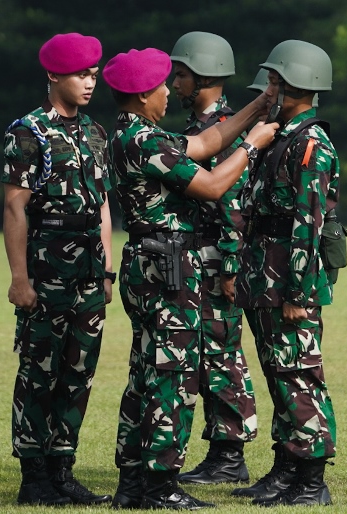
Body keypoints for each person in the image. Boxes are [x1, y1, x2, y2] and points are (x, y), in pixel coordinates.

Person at [101, 47, 278, 510]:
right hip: (167, 270)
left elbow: (205, 143)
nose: (166, 93)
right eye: (161, 86)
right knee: (172, 375)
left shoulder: (134, 133)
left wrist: (256, 109)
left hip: (150, 263)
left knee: (144, 372)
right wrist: (253, 145)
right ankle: (160, 486)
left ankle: (133, 484)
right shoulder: (146, 142)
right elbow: (215, 183)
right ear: (142, 95)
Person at [1, 32, 114, 507]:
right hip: (46, 270)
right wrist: (20, 279)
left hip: (89, 270)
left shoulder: (94, 132)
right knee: (38, 370)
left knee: (78, 372)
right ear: (54, 76)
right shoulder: (29, 132)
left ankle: (62, 469)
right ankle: (33, 477)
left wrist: (107, 269)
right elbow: (14, 207)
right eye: (80, 74)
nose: (89, 83)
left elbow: (104, 203)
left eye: (92, 74)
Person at [233, 40, 341, 507]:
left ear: (299, 84)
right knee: (279, 373)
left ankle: (312, 481)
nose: (268, 88)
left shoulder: (311, 147)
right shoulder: (282, 136)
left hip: (289, 283)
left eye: (275, 81)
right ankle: (286, 469)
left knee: (300, 374)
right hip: (266, 276)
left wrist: (298, 291)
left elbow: (308, 226)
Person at [169, 31, 257, 486]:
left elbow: (234, 205)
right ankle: (222, 452)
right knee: (207, 354)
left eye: (181, 74)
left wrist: (229, 265)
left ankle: (228, 456)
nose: (174, 82)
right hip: (196, 261)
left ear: (203, 77)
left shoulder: (222, 131)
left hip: (215, 262)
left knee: (221, 355)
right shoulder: (201, 131)